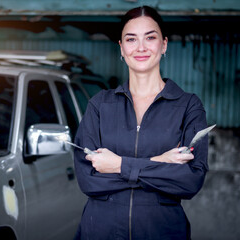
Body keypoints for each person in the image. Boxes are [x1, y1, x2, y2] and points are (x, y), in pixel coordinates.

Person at [73, 5, 208, 240]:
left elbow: (189, 181)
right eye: (131, 39)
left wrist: (118, 164)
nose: (141, 47)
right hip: (100, 232)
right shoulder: (99, 105)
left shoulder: (188, 106)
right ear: (122, 48)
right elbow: (88, 180)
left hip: (162, 232)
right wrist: (160, 162)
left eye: (150, 37)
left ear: (164, 44)